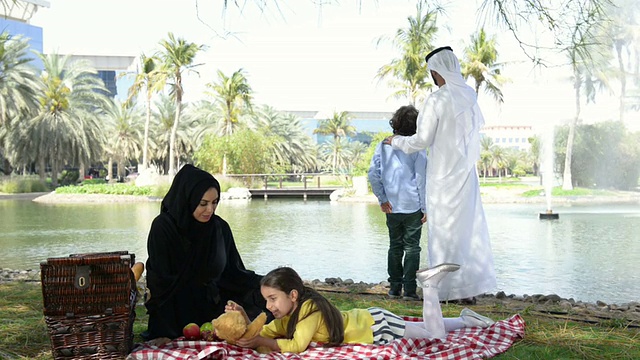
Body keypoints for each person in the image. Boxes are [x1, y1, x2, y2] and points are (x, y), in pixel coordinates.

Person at [384, 46, 497, 303]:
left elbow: (421, 140)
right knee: (465, 231)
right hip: (466, 176)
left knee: (444, 233)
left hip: (442, 178)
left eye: (432, 72)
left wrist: (396, 142)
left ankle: (446, 291)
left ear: (436, 71)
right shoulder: (469, 96)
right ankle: (466, 290)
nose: (432, 76)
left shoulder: (435, 100)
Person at [228, 265, 495, 354]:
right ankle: (465, 321)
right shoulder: (287, 315)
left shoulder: (309, 311)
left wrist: (262, 341)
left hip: (377, 328)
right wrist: (243, 318)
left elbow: (296, 346)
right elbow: (265, 330)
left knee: (434, 338)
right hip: (371, 317)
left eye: (273, 298)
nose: (268, 306)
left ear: (293, 295)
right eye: (266, 300)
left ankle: (430, 286)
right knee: (424, 328)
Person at [143, 164, 269, 340]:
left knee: (269, 298)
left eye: (215, 202)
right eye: (203, 203)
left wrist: (269, 283)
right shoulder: (164, 227)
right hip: (177, 310)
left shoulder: (219, 228)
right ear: (188, 199)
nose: (210, 210)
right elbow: (161, 282)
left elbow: (234, 273)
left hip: (216, 306)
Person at [368, 104, 427, 301]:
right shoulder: (417, 147)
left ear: (396, 123)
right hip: (413, 206)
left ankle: (394, 288)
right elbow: (421, 179)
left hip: (391, 207)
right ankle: (409, 290)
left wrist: (382, 199)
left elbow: (373, 175)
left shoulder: (383, 145)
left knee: (395, 246)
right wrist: (426, 207)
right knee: (412, 247)